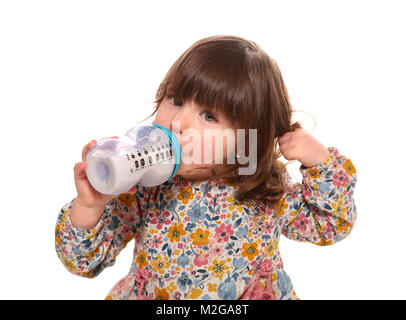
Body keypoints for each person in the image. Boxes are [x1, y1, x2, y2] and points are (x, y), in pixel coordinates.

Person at [55, 35, 357, 300]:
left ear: (247, 139)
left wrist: (321, 164)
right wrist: (89, 206)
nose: (179, 123)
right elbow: (82, 261)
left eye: (209, 116)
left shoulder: (264, 188)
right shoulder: (145, 184)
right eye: (176, 99)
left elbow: (330, 226)